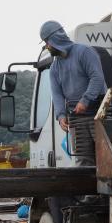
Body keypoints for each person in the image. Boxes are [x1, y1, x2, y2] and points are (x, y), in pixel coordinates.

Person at [40, 20, 107, 167]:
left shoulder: (84, 52)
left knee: (105, 156)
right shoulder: (54, 68)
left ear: (54, 39)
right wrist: (61, 115)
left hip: (98, 113)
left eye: (46, 42)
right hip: (76, 117)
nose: (47, 46)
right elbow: (57, 94)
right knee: (83, 160)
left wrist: (85, 100)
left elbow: (97, 77)